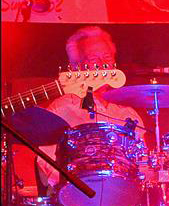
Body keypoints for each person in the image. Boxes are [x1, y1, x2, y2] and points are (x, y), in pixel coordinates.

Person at [37, 26, 146, 192]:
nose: (102, 64)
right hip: (75, 197)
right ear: (76, 67)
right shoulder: (62, 108)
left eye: (107, 57)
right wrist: (71, 187)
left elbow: (142, 163)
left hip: (122, 195)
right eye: (93, 59)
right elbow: (45, 159)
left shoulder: (128, 112)